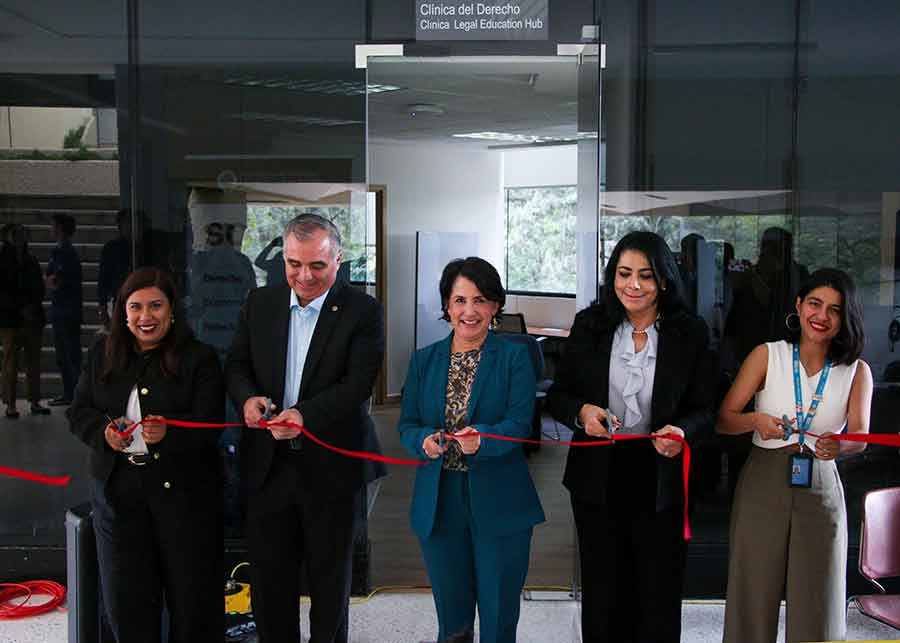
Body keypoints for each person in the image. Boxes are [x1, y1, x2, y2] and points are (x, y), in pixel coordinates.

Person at [225, 213, 385, 643]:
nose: (304, 275)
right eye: (294, 264)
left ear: (338, 259)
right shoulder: (260, 303)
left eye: (317, 265)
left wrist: (303, 416)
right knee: (270, 581)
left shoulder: (363, 311)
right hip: (267, 466)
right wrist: (247, 400)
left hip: (330, 467)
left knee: (330, 582)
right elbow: (237, 364)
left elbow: (358, 384)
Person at [547, 230, 714, 643]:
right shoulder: (590, 325)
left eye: (645, 275)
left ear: (664, 280)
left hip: (662, 475)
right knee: (604, 592)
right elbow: (558, 395)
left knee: (657, 592)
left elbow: (708, 409)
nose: (633, 285)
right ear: (612, 276)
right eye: (624, 273)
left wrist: (683, 431)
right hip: (597, 475)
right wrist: (582, 412)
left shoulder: (689, 332)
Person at [67, 267, 225, 642]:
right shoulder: (101, 353)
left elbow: (212, 423)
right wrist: (103, 433)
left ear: (172, 311)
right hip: (118, 495)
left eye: (156, 306)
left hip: (184, 497)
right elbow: (78, 411)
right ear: (123, 312)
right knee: (126, 604)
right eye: (136, 307)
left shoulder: (199, 358)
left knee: (192, 603)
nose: (146, 316)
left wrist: (171, 432)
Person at [718, 268, 873, 643]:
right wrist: (755, 420)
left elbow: (860, 437)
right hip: (764, 478)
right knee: (752, 589)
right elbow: (724, 420)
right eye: (815, 304)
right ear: (799, 306)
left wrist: (840, 445)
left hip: (820, 482)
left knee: (819, 594)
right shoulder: (766, 355)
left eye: (834, 310)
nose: (822, 316)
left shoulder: (856, 371)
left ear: (845, 317)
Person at [397, 257, 545, 643]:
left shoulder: (515, 356)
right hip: (439, 499)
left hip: (500, 500)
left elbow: (520, 423)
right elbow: (407, 425)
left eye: (480, 300)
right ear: (446, 305)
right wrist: (423, 441)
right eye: (459, 300)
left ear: (495, 306)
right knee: (452, 620)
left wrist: (484, 438)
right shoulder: (424, 360)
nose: (469, 311)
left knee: (498, 619)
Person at [0, 224, 50, 418]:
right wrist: (20, 308)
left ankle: (34, 400)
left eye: (23, 234)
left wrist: (31, 306)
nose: (21, 238)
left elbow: (38, 287)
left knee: (33, 362)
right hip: (10, 319)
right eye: (17, 234)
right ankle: (10, 403)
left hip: (31, 318)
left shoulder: (31, 260)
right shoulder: (3, 261)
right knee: (10, 362)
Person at [46, 213, 83, 405]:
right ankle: (70, 393)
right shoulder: (63, 251)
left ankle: (74, 394)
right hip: (64, 309)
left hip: (65, 310)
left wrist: (52, 282)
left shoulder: (64, 253)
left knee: (69, 355)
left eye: (53, 226)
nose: (50, 229)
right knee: (65, 355)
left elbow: (55, 281)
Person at [97, 209, 137, 328]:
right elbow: (103, 280)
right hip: (121, 299)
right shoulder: (112, 249)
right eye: (128, 223)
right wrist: (103, 308)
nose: (131, 227)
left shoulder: (143, 246)